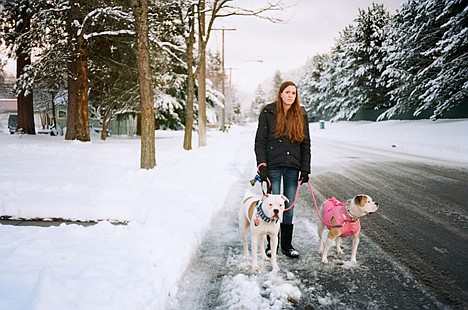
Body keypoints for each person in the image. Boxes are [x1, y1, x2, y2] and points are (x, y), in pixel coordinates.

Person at [254, 80, 311, 258]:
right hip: (274, 166)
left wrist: (305, 169)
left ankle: (286, 245)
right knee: (273, 206)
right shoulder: (269, 112)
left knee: (288, 206)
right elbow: (260, 142)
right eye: (287, 92)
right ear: (280, 93)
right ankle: (272, 245)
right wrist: (262, 165)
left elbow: (306, 144)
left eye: (293, 93)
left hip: (293, 167)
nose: (290, 96)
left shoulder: (301, 114)